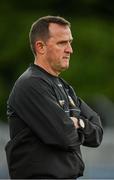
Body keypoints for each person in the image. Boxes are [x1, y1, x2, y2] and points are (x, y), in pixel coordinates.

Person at [5, 15, 103, 179]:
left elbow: (97, 133)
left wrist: (77, 122)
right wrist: (76, 127)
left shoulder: (65, 88)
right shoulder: (30, 84)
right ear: (40, 47)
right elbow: (65, 136)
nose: (70, 49)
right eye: (62, 43)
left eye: (70, 42)